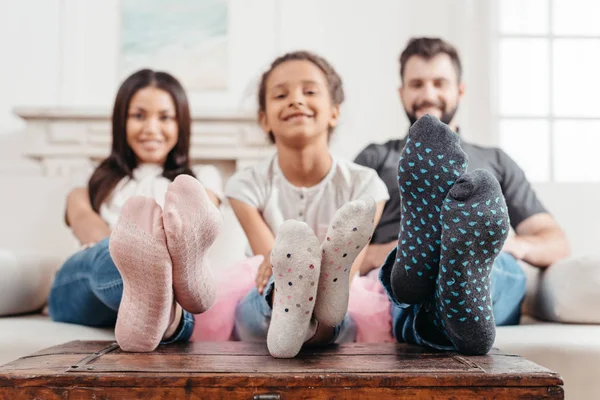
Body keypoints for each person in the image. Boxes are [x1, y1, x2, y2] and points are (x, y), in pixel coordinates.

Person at [355, 37, 570, 354]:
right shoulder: (377, 157)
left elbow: (557, 242)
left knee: (488, 268)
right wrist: (398, 249)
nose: (428, 94)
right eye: (417, 84)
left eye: (439, 83)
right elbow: (342, 243)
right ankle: (427, 276)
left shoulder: (495, 159)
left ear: (460, 90)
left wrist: (508, 244)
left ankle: (451, 285)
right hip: (400, 261)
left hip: (488, 266)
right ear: (401, 92)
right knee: (411, 276)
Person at [225, 51, 390, 358]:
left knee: (339, 305)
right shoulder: (245, 184)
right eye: (280, 94)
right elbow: (269, 264)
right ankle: (290, 316)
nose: (296, 100)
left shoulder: (365, 185)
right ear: (264, 119)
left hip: (339, 294)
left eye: (310, 91)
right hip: (267, 294)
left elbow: (349, 270)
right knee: (267, 291)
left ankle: (316, 327)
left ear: (334, 112)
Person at [48, 69, 223, 352]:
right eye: (139, 116)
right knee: (116, 253)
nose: (151, 128)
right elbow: (82, 218)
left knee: (168, 274)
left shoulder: (201, 177)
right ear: (121, 121)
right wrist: (125, 247)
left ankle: (165, 317)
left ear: (181, 123)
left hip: (163, 278)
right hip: (87, 279)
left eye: (165, 117)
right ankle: (164, 299)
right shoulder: (89, 173)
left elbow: (203, 215)